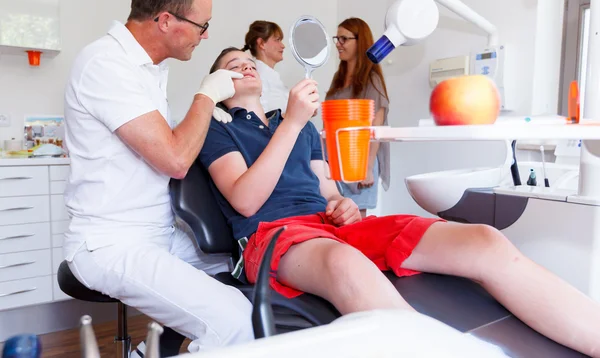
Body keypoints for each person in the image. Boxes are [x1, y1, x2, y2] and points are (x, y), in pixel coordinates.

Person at [198, 47, 600, 357]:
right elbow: (247, 201)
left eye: (249, 58)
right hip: (274, 236)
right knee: (344, 263)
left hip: (333, 226)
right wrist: (293, 121)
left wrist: (342, 203)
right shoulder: (219, 130)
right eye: (232, 63)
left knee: (484, 241)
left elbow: (326, 189)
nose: (246, 64)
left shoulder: (299, 130)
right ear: (218, 82)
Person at [62, 0, 254, 353]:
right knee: (235, 319)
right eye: (202, 25)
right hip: (111, 243)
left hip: (158, 233)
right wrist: (205, 95)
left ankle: (149, 350)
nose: (204, 36)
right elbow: (175, 160)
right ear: (166, 20)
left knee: (246, 271)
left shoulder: (146, 69)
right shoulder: (106, 63)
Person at [325, 17, 390, 217]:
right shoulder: (339, 78)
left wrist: (368, 168)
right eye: (337, 38)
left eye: (344, 39)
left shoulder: (372, 80)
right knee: (337, 215)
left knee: (356, 220)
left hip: (361, 159)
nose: (338, 44)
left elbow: (376, 130)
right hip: (337, 158)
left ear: (359, 41)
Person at [242, 20, 289, 113]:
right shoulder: (257, 77)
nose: (283, 46)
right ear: (262, 43)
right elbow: (266, 118)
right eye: (277, 40)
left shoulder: (271, 77)